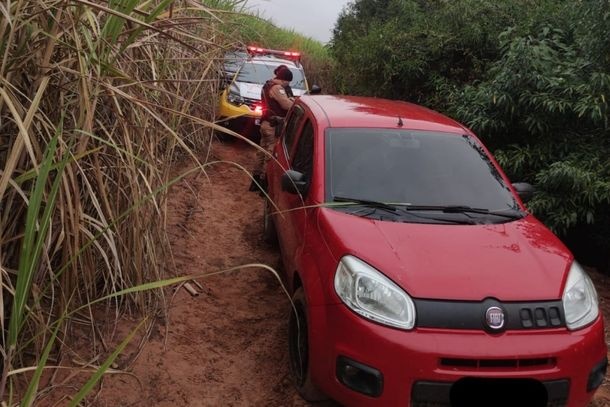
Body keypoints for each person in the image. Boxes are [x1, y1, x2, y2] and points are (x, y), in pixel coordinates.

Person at [249, 65, 295, 192]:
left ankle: (255, 181)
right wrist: (295, 103)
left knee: (261, 152)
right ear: (284, 79)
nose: (287, 84)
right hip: (272, 126)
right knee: (269, 155)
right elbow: (285, 105)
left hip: (265, 123)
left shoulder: (267, 85)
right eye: (287, 82)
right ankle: (264, 185)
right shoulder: (277, 88)